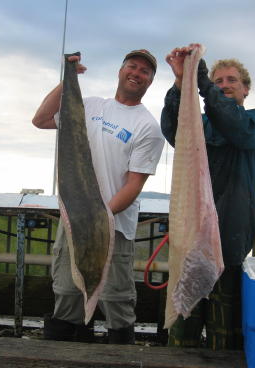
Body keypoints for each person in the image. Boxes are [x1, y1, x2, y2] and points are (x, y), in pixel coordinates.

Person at [32, 49, 164, 344]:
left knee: (115, 298)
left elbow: (134, 184)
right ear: (120, 70)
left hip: (114, 227)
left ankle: (122, 356)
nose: (136, 73)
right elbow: (40, 120)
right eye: (132, 66)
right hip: (73, 224)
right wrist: (67, 79)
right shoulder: (89, 105)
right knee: (67, 292)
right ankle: (63, 357)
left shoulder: (148, 127)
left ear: (150, 81)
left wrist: (100, 219)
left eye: (144, 71)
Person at [161, 44, 255, 350]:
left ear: (246, 89)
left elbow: (235, 126)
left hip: (230, 248)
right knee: (182, 334)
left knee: (227, 340)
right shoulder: (204, 125)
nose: (223, 85)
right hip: (191, 247)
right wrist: (181, 83)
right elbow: (173, 128)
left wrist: (204, 82)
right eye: (218, 80)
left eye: (231, 81)